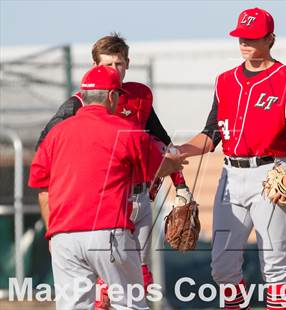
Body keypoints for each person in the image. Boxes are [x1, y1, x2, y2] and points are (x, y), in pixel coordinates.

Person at [35, 33, 193, 309]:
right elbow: (46, 150)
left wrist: (180, 186)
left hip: (137, 197)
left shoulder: (139, 96)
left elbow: (163, 144)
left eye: (118, 64)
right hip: (100, 203)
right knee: (114, 287)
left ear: (127, 64)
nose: (114, 70)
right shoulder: (78, 103)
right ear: (94, 66)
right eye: (107, 64)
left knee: (134, 274)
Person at [177, 7, 286, 310]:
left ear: (270, 39)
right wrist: (179, 151)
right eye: (241, 36)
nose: (244, 42)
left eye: (251, 37)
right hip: (231, 176)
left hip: (271, 174)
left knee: (274, 265)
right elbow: (211, 134)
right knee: (223, 268)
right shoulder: (225, 81)